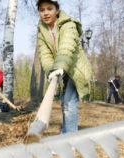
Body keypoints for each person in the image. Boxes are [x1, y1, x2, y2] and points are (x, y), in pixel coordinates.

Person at [36, 0, 92, 134]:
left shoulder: (68, 25)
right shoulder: (42, 30)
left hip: (75, 69)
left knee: (69, 103)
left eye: (49, 9)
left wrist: (60, 66)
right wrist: (52, 70)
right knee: (64, 103)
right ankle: (66, 132)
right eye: (42, 10)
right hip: (61, 69)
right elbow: (45, 54)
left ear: (57, 10)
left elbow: (67, 46)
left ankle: (70, 139)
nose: (45, 13)